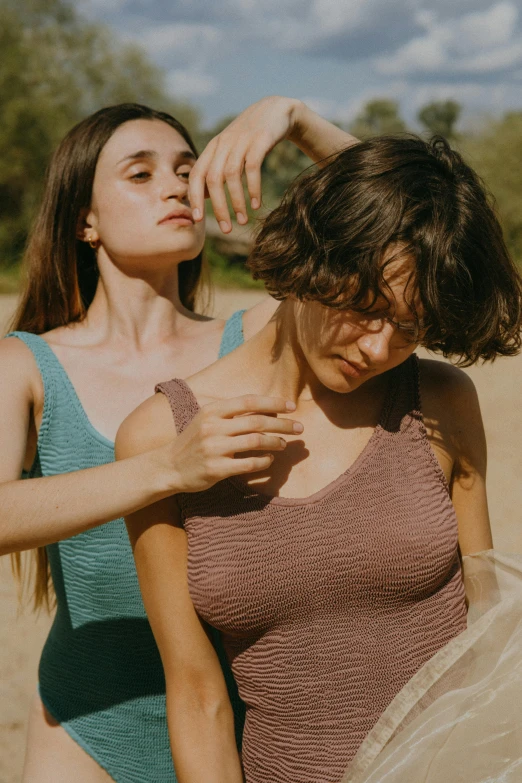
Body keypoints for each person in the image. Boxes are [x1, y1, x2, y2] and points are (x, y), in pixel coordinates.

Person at [117, 135, 522, 783]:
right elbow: (196, 694)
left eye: (411, 328)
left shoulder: (441, 399)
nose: (380, 347)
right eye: (366, 309)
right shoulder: (160, 437)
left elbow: (489, 636)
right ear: (312, 259)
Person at [0, 97, 357, 782]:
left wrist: (297, 121)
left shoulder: (259, 335)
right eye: (140, 174)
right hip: (82, 729)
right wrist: (166, 466)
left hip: (243, 732)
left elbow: (407, 227)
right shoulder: (23, 364)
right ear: (85, 220)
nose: (176, 186)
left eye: (187, 170)